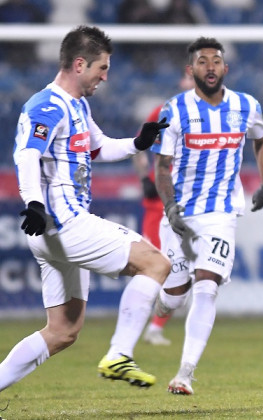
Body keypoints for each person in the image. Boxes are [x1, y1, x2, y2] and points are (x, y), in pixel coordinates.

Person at [1, 25, 171, 393]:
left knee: (62, 332)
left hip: (54, 231)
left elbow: (98, 148)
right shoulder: (47, 105)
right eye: (102, 68)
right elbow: (28, 154)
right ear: (80, 64)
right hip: (62, 223)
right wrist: (32, 202)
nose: (105, 77)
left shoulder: (76, 104)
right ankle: (119, 354)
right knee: (156, 263)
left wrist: (138, 143)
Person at [150, 36, 263, 395]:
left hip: (221, 212)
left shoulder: (245, 105)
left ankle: (185, 373)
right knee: (174, 294)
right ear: (191, 71)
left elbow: (261, 139)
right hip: (181, 213)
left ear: (225, 68)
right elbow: (162, 166)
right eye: (202, 62)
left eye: (215, 61)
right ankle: (159, 301)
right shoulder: (173, 110)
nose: (210, 67)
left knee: (206, 286)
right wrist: (170, 206)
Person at [135, 72, 195, 346]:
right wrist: (143, 178)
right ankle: (140, 324)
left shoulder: (212, 114)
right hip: (156, 203)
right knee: (157, 264)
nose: (187, 83)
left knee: (180, 268)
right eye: (186, 77)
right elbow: (139, 146)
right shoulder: (165, 111)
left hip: (186, 202)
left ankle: (155, 327)